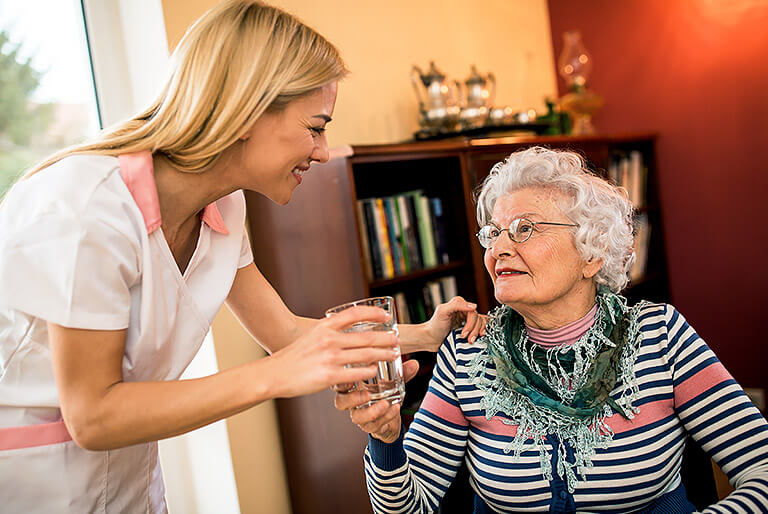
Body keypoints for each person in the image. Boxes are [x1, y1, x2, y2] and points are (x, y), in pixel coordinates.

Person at [0, 2, 484, 511]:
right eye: (316, 127)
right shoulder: (87, 206)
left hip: (128, 488)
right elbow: (93, 415)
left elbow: (288, 335)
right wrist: (278, 376)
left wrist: (425, 336)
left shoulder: (224, 207)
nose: (323, 151)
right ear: (247, 112)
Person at [336, 147, 768, 513]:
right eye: (494, 233)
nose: (499, 248)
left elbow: (761, 467)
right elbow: (408, 507)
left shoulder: (661, 335)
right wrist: (387, 440)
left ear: (591, 254)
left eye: (526, 229)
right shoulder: (467, 351)